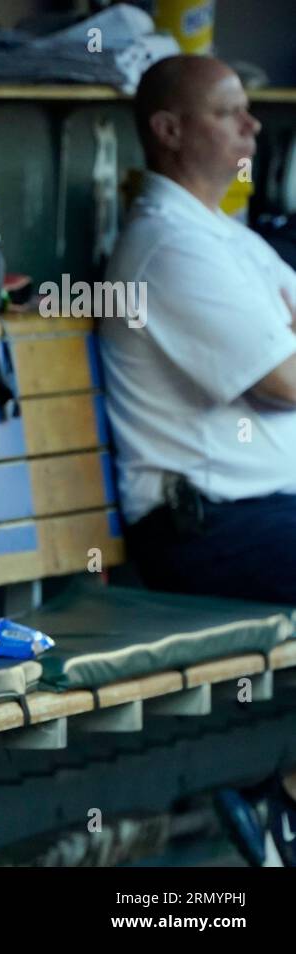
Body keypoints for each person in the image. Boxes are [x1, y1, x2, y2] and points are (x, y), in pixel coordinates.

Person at [100, 54, 296, 867]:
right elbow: (285, 380)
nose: (253, 127)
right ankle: (285, 803)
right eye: (230, 112)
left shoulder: (226, 237)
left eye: (249, 111)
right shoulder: (167, 247)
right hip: (202, 527)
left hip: (265, 513)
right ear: (170, 130)